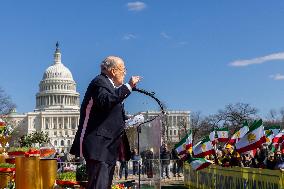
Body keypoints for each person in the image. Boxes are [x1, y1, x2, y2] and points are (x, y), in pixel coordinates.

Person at [70, 56, 141, 189]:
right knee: (99, 185)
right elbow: (106, 101)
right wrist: (128, 86)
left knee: (104, 185)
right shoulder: (100, 81)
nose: (125, 73)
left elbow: (109, 114)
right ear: (113, 71)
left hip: (108, 146)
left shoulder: (109, 85)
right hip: (99, 146)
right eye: (123, 70)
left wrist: (130, 120)